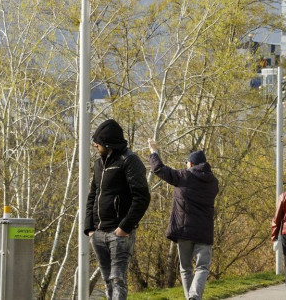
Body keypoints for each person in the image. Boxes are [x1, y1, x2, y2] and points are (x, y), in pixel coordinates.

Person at [84, 119, 151, 300]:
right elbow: (93, 195)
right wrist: (89, 228)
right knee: (107, 280)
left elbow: (142, 197)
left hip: (119, 233)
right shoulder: (99, 164)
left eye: (98, 142)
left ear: (107, 142)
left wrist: (125, 227)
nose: (95, 145)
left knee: (117, 279)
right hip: (98, 232)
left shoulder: (129, 160)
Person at [148, 140, 219, 300]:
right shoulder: (213, 182)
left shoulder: (184, 176)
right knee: (202, 267)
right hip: (204, 232)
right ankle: (194, 296)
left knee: (186, 268)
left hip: (184, 230)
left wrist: (154, 152)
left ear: (191, 163)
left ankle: (191, 297)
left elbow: (159, 169)